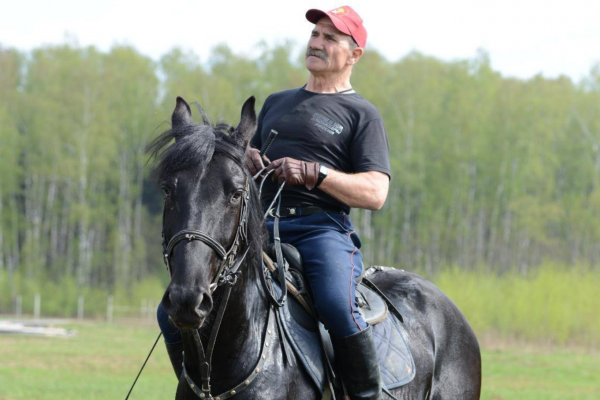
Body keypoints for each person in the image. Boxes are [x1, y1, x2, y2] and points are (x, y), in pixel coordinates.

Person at [246, 6, 391, 400]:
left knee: (335, 306)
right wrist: (246, 159)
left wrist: (317, 173)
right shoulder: (277, 101)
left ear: (355, 54)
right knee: (176, 309)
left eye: (331, 37)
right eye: (315, 34)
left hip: (319, 230)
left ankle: (365, 396)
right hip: (259, 228)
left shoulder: (362, 114)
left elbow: (376, 192)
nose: (317, 43)